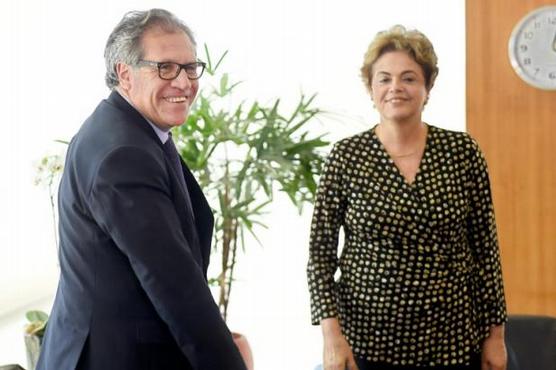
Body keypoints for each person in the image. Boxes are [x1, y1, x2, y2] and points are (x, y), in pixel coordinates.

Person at [36, 9, 247, 370]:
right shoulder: (124, 153)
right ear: (124, 73)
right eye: (165, 67)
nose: (183, 83)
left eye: (190, 67)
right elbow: (176, 288)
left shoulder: (128, 126)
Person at [307, 25, 507, 370]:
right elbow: (320, 255)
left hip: (454, 340)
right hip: (368, 340)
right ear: (370, 88)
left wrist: (496, 336)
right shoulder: (346, 156)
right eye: (384, 78)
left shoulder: (462, 151)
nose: (395, 88)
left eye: (409, 78)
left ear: (428, 87)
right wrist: (331, 337)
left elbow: (486, 249)